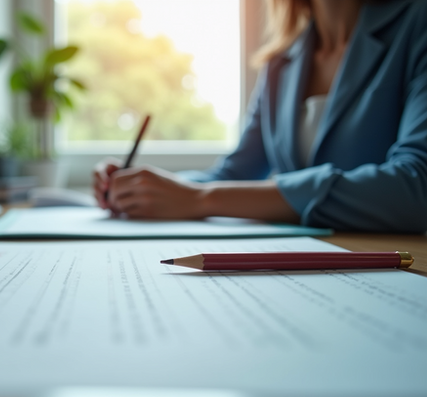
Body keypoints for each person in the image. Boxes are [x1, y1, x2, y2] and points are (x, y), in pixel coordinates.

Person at [93, 0, 427, 232]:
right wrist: (141, 187)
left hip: (390, 262)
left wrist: (200, 198)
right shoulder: (281, 62)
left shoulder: (417, 25)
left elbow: (416, 187)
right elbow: (233, 175)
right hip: (303, 264)